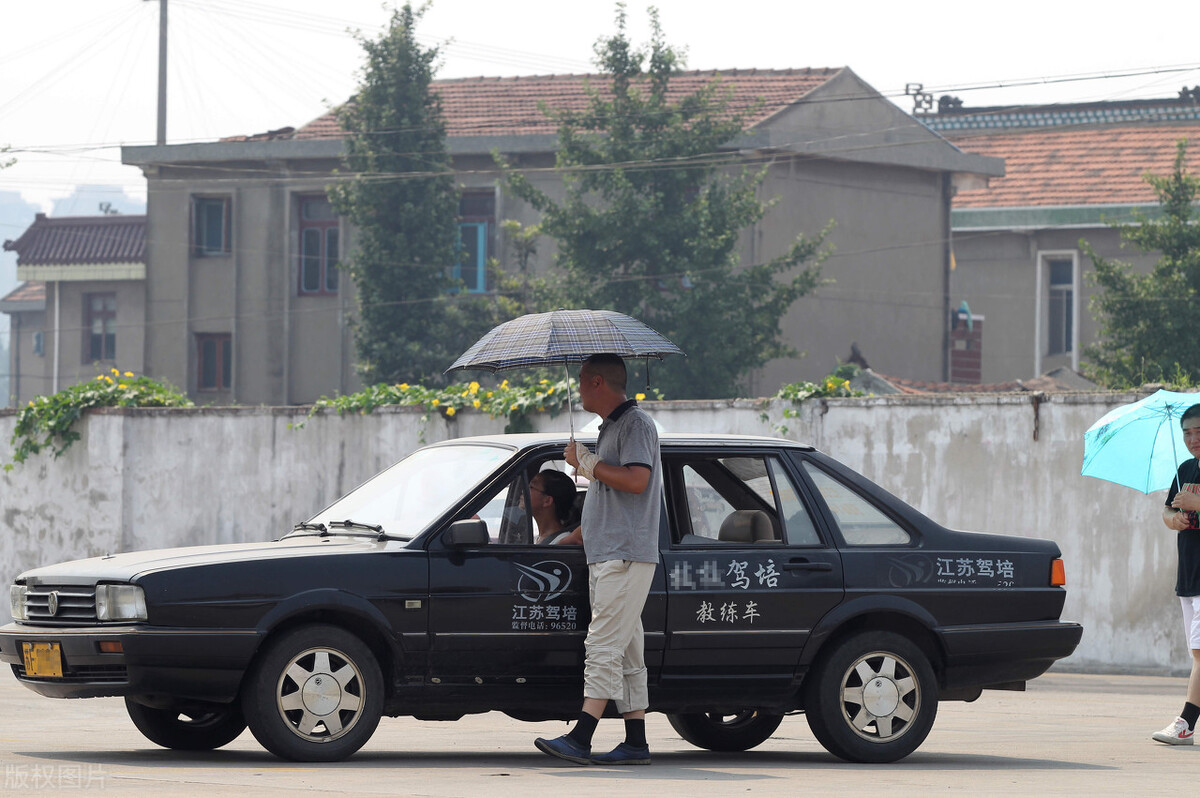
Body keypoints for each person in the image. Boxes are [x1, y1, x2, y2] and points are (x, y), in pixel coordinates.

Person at [534, 354, 661, 766]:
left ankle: (581, 736)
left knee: (603, 643)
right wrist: (575, 536)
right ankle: (636, 741)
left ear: (597, 383)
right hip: (607, 551)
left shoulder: (635, 424)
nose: (579, 391)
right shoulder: (611, 428)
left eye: (582, 382)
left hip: (624, 554)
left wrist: (587, 462)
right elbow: (612, 496)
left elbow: (637, 481)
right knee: (626, 649)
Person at [1154, 402, 1200, 745]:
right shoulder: (1185, 469)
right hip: (1189, 576)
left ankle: (1185, 723)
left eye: (1199, 431)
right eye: (1187, 433)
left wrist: (1197, 505)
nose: (1193, 438)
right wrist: (1176, 519)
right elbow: (1167, 512)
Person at [531, 470, 578, 545]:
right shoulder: (537, 538)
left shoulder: (564, 542)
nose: (524, 491)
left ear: (547, 501)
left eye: (531, 487)